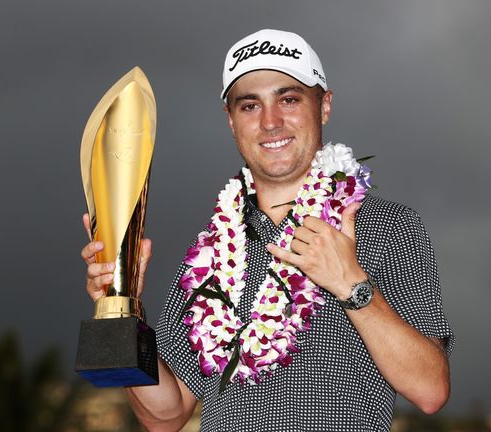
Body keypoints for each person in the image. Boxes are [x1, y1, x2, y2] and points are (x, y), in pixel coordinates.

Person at [81, 29, 454, 432]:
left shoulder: (387, 227)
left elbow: (430, 390)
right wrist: (123, 311)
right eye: (249, 106)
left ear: (324, 106)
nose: (271, 122)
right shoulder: (211, 254)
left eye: (289, 99)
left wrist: (350, 284)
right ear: (230, 120)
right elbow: (165, 416)